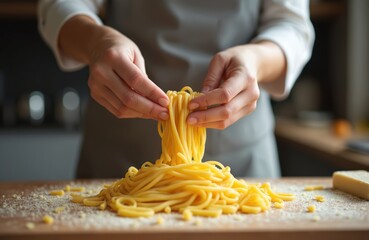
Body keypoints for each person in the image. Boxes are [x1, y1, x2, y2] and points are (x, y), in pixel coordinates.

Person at [38, 0, 314, 178]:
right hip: (119, 159)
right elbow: (59, 5)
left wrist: (256, 60)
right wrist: (97, 42)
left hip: (240, 162)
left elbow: (292, 26)